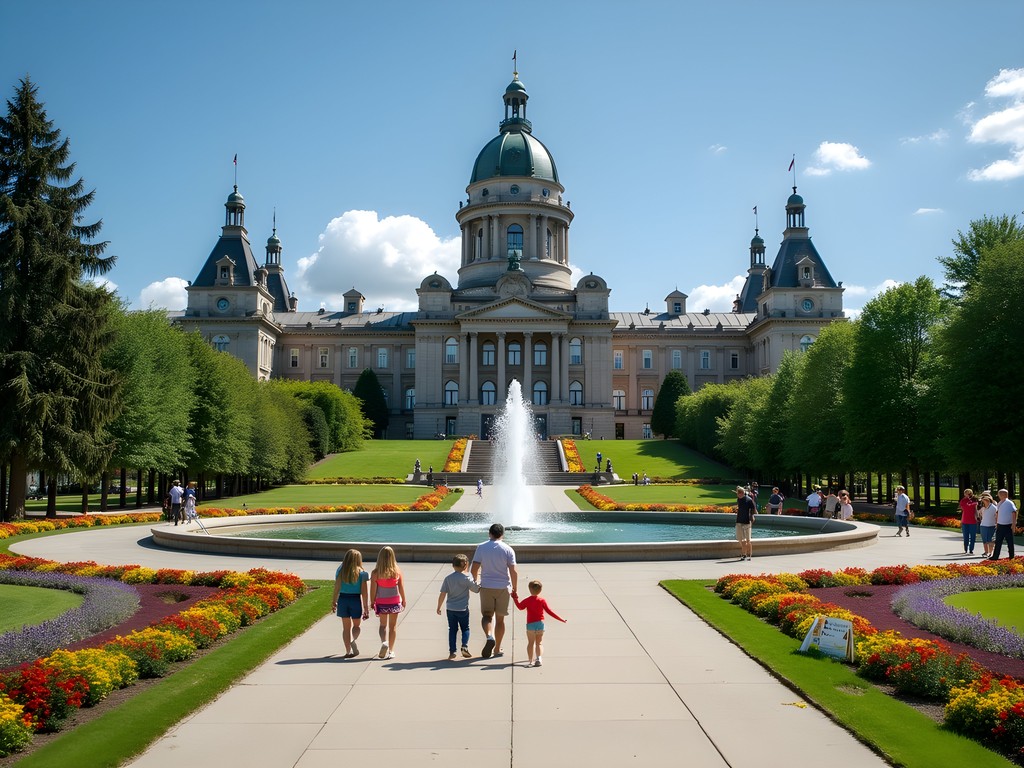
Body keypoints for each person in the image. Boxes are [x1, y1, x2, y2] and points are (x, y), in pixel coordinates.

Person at [471, 523, 518, 658]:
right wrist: (515, 588)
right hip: (503, 587)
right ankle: (497, 648)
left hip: (486, 586)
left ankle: (489, 636)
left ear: (489, 533)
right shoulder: (508, 549)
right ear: (502, 534)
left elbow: (474, 569)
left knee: (487, 616)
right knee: (500, 619)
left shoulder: (481, 547)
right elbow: (513, 571)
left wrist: (475, 583)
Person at [511, 579, 567, 667]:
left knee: (530, 643)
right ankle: (539, 658)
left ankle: (530, 660)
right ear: (540, 590)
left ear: (529, 589)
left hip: (530, 625)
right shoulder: (542, 600)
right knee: (539, 643)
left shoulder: (527, 600)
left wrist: (515, 598)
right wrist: (561, 619)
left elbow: (520, 607)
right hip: (540, 624)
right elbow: (550, 612)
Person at [436, 554, 481, 660]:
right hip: (463, 608)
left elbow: (442, 593)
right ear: (466, 565)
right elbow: (476, 589)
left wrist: (439, 606)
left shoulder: (448, 578)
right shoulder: (467, 577)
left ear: (453, 565)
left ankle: (452, 652)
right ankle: (464, 646)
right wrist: (478, 580)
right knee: (465, 628)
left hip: (450, 608)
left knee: (452, 629)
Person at [331, 549, 370, 658]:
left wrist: (334, 601)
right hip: (355, 600)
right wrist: (366, 608)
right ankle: (353, 640)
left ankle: (348, 651)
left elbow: (337, 587)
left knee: (346, 628)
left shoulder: (340, 571)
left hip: (343, 600)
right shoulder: (362, 573)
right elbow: (364, 592)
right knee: (356, 626)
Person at [370, 546, 406, 659]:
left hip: (381, 601)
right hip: (394, 601)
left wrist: (372, 601)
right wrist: (404, 599)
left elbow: (373, 589)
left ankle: (383, 642)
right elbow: (401, 587)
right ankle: (391, 650)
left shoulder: (376, 572)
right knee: (393, 627)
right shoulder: (397, 571)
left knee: (382, 625)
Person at [989, 489, 1019, 561]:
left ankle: (1011, 556)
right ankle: (995, 556)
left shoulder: (1009, 503)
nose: (998, 496)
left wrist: (1014, 524)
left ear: (1003, 495)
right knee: (998, 541)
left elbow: (1014, 513)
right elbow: (997, 513)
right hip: (1000, 525)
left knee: (1010, 542)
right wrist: (997, 523)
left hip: (1008, 526)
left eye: (999, 494)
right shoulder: (1000, 503)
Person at [735, 485, 756, 561]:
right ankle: (744, 554)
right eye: (738, 493)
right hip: (739, 521)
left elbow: (753, 509)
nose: (739, 494)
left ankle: (748, 554)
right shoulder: (738, 499)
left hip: (747, 522)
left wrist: (752, 516)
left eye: (740, 493)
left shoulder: (749, 500)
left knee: (747, 540)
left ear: (743, 493)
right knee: (741, 539)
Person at [959, 489, 979, 555]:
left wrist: (977, 517)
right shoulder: (963, 501)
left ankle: (971, 549)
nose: (968, 495)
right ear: (964, 494)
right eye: (966, 493)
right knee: (965, 536)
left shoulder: (974, 501)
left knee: (973, 536)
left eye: (969, 493)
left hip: (973, 520)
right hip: (965, 520)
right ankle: (965, 549)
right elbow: (963, 509)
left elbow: (976, 510)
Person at [979, 492, 998, 558]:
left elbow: (996, 516)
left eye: (984, 499)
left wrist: (997, 523)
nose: (983, 501)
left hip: (991, 525)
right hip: (983, 525)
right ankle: (986, 552)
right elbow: (980, 514)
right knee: (985, 540)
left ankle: (990, 552)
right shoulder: (983, 507)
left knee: (991, 540)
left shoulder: (994, 507)